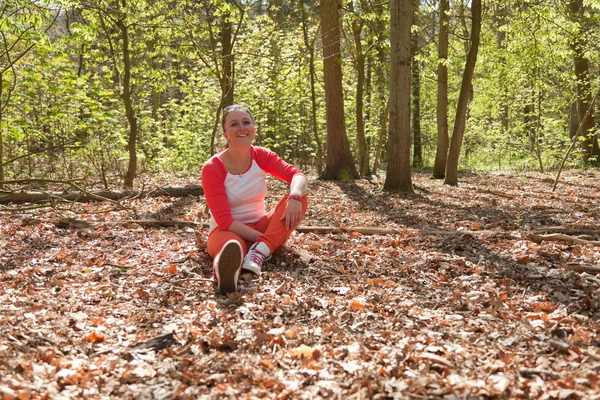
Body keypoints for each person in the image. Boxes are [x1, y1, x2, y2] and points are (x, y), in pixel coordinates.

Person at [201, 103, 308, 295]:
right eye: (234, 124)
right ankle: (226, 274)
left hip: (261, 225)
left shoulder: (261, 155)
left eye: (246, 122)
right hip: (226, 231)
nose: (241, 128)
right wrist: (265, 241)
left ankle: (259, 251)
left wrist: (294, 196)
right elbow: (225, 220)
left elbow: (297, 175)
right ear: (225, 134)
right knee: (233, 247)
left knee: (301, 196)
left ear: (253, 129)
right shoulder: (213, 167)